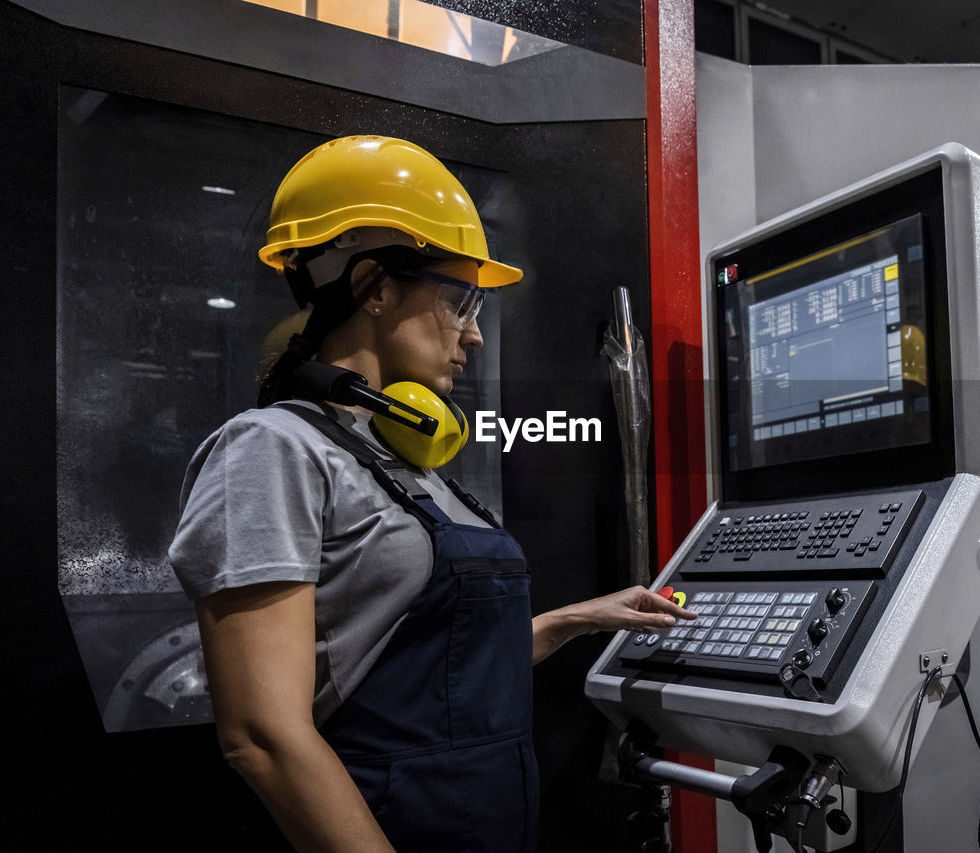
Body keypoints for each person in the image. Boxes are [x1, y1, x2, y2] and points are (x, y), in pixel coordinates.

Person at [168, 135, 693, 852]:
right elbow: (262, 735)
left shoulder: (405, 458)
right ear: (374, 287)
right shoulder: (273, 449)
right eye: (459, 300)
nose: (474, 333)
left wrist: (579, 618)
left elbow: (435, 661)